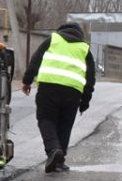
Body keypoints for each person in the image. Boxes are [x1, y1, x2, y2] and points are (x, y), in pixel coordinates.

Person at [20, 22, 96, 173]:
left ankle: (54, 150)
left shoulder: (53, 38)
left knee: (46, 119)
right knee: (65, 124)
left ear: (61, 30)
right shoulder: (84, 48)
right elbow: (90, 78)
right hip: (73, 92)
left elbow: (36, 59)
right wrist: (85, 101)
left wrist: (27, 80)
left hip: (48, 87)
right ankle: (59, 161)